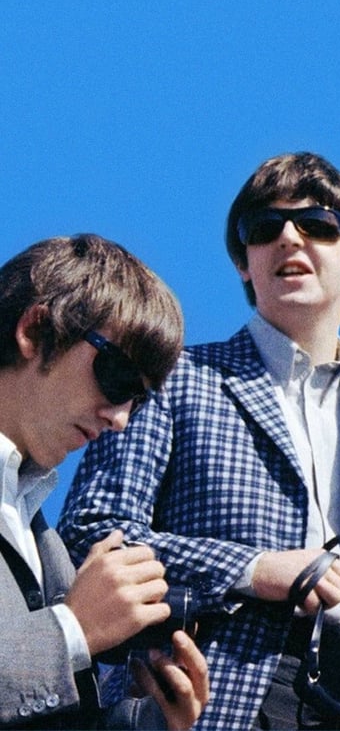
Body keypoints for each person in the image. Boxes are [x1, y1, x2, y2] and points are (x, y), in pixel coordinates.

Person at [58, 152, 340, 731]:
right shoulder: (176, 379)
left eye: (316, 224)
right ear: (243, 262)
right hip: (216, 692)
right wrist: (254, 569)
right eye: (264, 228)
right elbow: (93, 534)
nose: (288, 237)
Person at [0, 233, 209, 729]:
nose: (121, 418)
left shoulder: (42, 540)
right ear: (35, 331)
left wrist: (148, 720)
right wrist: (73, 628)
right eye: (118, 379)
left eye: (139, 400)